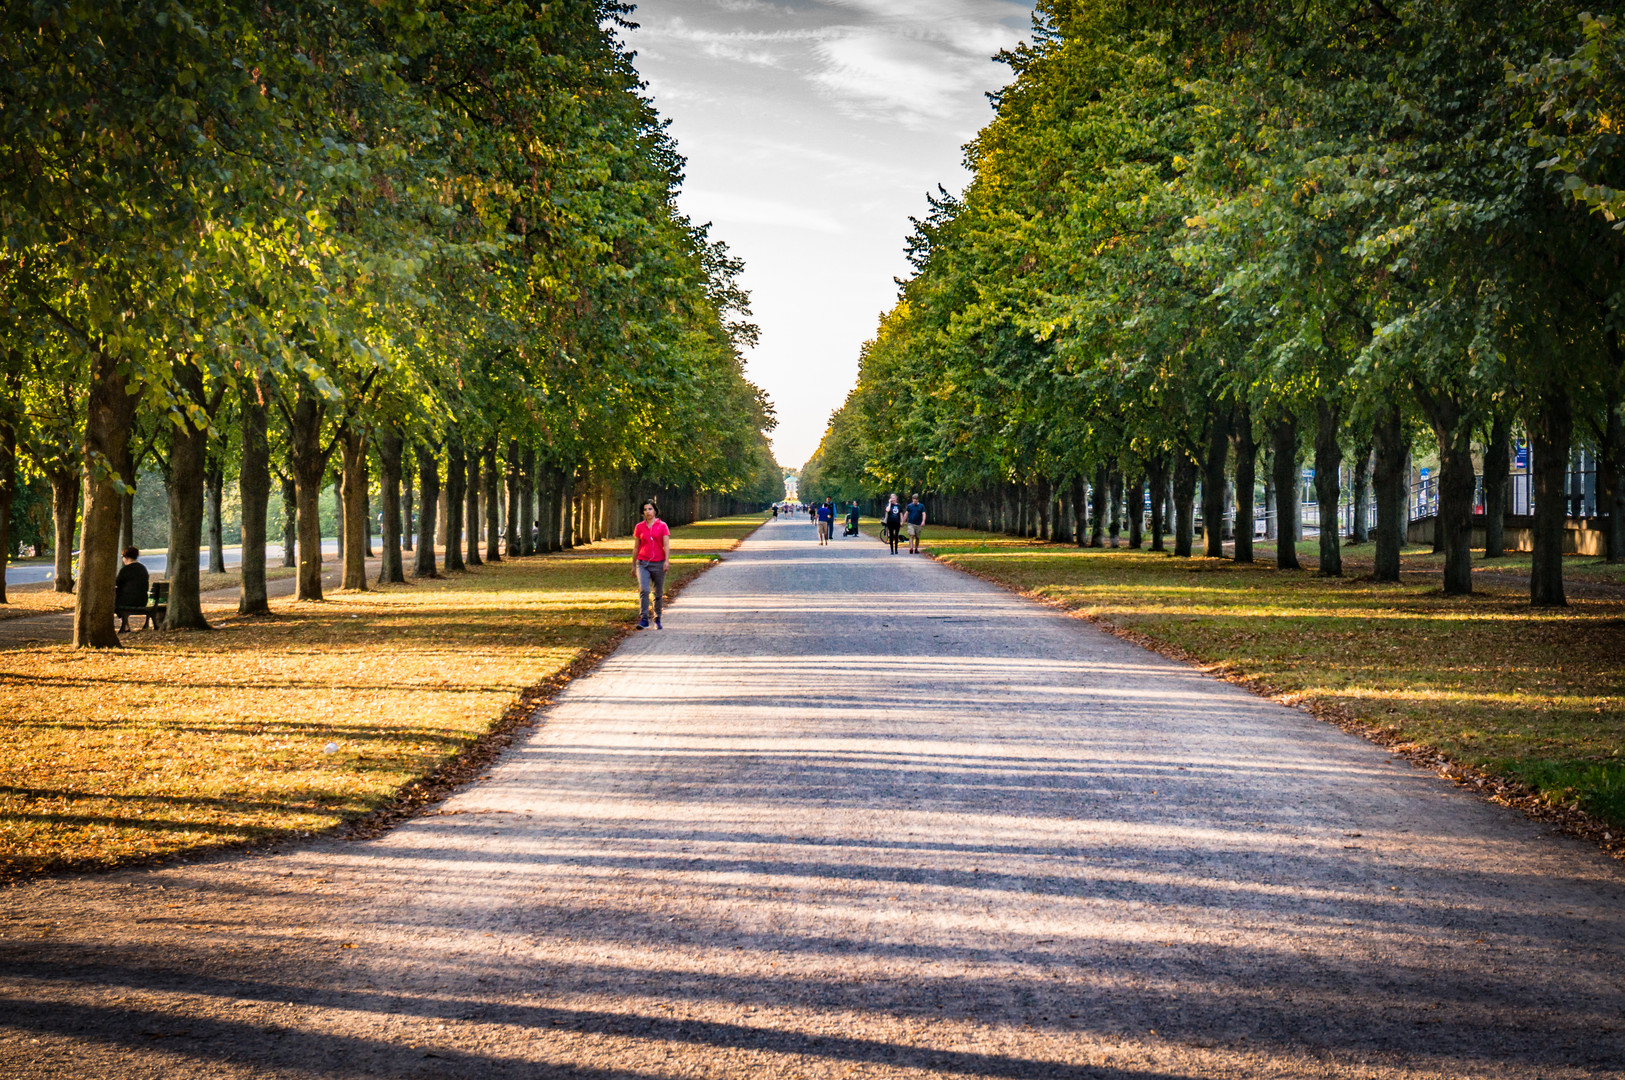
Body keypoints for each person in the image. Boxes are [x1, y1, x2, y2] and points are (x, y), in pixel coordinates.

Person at [632, 499, 670, 629]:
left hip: (659, 563)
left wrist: (666, 561)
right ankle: (644, 619)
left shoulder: (662, 526)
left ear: (654, 510)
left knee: (658, 592)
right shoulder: (639, 527)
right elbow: (636, 547)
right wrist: (633, 565)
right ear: (642, 512)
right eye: (645, 509)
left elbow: (666, 545)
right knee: (644, 589)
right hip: (642, 562)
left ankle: (657, 617)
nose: (648, 512)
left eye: (650, 509)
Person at [114, 546, 150, 632]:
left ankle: (125, 625)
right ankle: (126, 625)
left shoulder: (125, 570)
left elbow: (117, 583)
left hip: (127, 601)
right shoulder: (143, 568)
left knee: (114, 603)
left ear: (125, 557)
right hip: (142, 601)